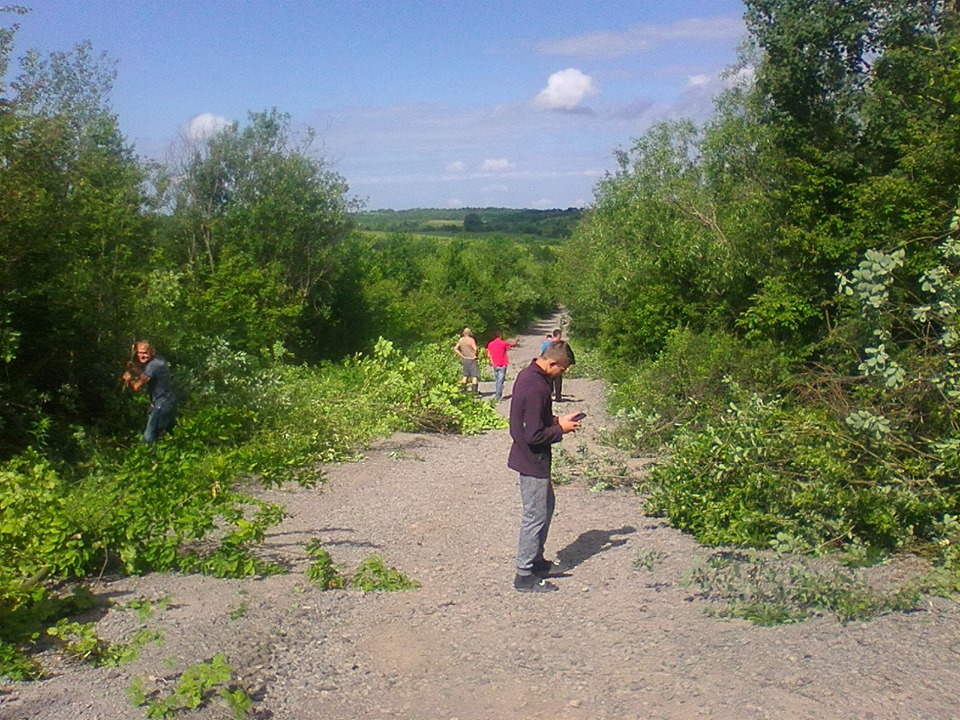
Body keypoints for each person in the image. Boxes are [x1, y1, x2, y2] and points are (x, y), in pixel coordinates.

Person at [508, 340, 581, 592]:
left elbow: (535, 420)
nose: (563, 374)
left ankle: (536, 560)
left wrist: (557, 419)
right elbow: (534, 435)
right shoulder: (535, 386)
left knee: (546, 506)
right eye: (562, 369)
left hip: (532, 457)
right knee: (535, 514)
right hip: (532, 458)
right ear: (551, 363)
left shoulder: (530, 376)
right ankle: (524, 574)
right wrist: (560, 429)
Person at [121, 340, 177, 444]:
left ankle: (149, 457)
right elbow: (145, 375)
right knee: (167, 434)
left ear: (152, 351)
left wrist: (128, 380)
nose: (141, 356)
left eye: (145, 353)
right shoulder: (159, 360)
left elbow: (137, 387)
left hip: (161, 404)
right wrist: (133, 369)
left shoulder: (153, 366)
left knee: (149, 436)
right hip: (168, 402)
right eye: (139, 353)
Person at [485, 329, 519, 401]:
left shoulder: (490, 344)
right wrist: (517, 340)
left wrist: (491, 361)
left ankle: (497, 394)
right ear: (500, 336)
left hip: (495, 364)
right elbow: (512, 345)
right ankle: (498, 396)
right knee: (500, 381)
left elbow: (488, 354)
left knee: (497, 380)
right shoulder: (503, 343)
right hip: (502, 363)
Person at [540, 329, 566, 402]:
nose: (560, 338)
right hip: (556, 365)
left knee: (550, 382)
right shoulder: (557, 344)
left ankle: (550, 396)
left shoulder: (546, 344)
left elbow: (542, 354)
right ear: (557, 336)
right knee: (557, 382)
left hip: (549, 365)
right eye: (559, 336)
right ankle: (557, 397)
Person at [452, 327, 479, 394]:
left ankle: (463, 391)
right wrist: (475, 355)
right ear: (470, 333)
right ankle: (474, 392)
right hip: (472, 359)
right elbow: (475, 349)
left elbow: (455, 348)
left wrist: (462, 355)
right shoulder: (471, 340)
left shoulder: (461, 340)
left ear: (463, 333)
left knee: (465, 375)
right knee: (474, 376)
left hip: (465, 359)